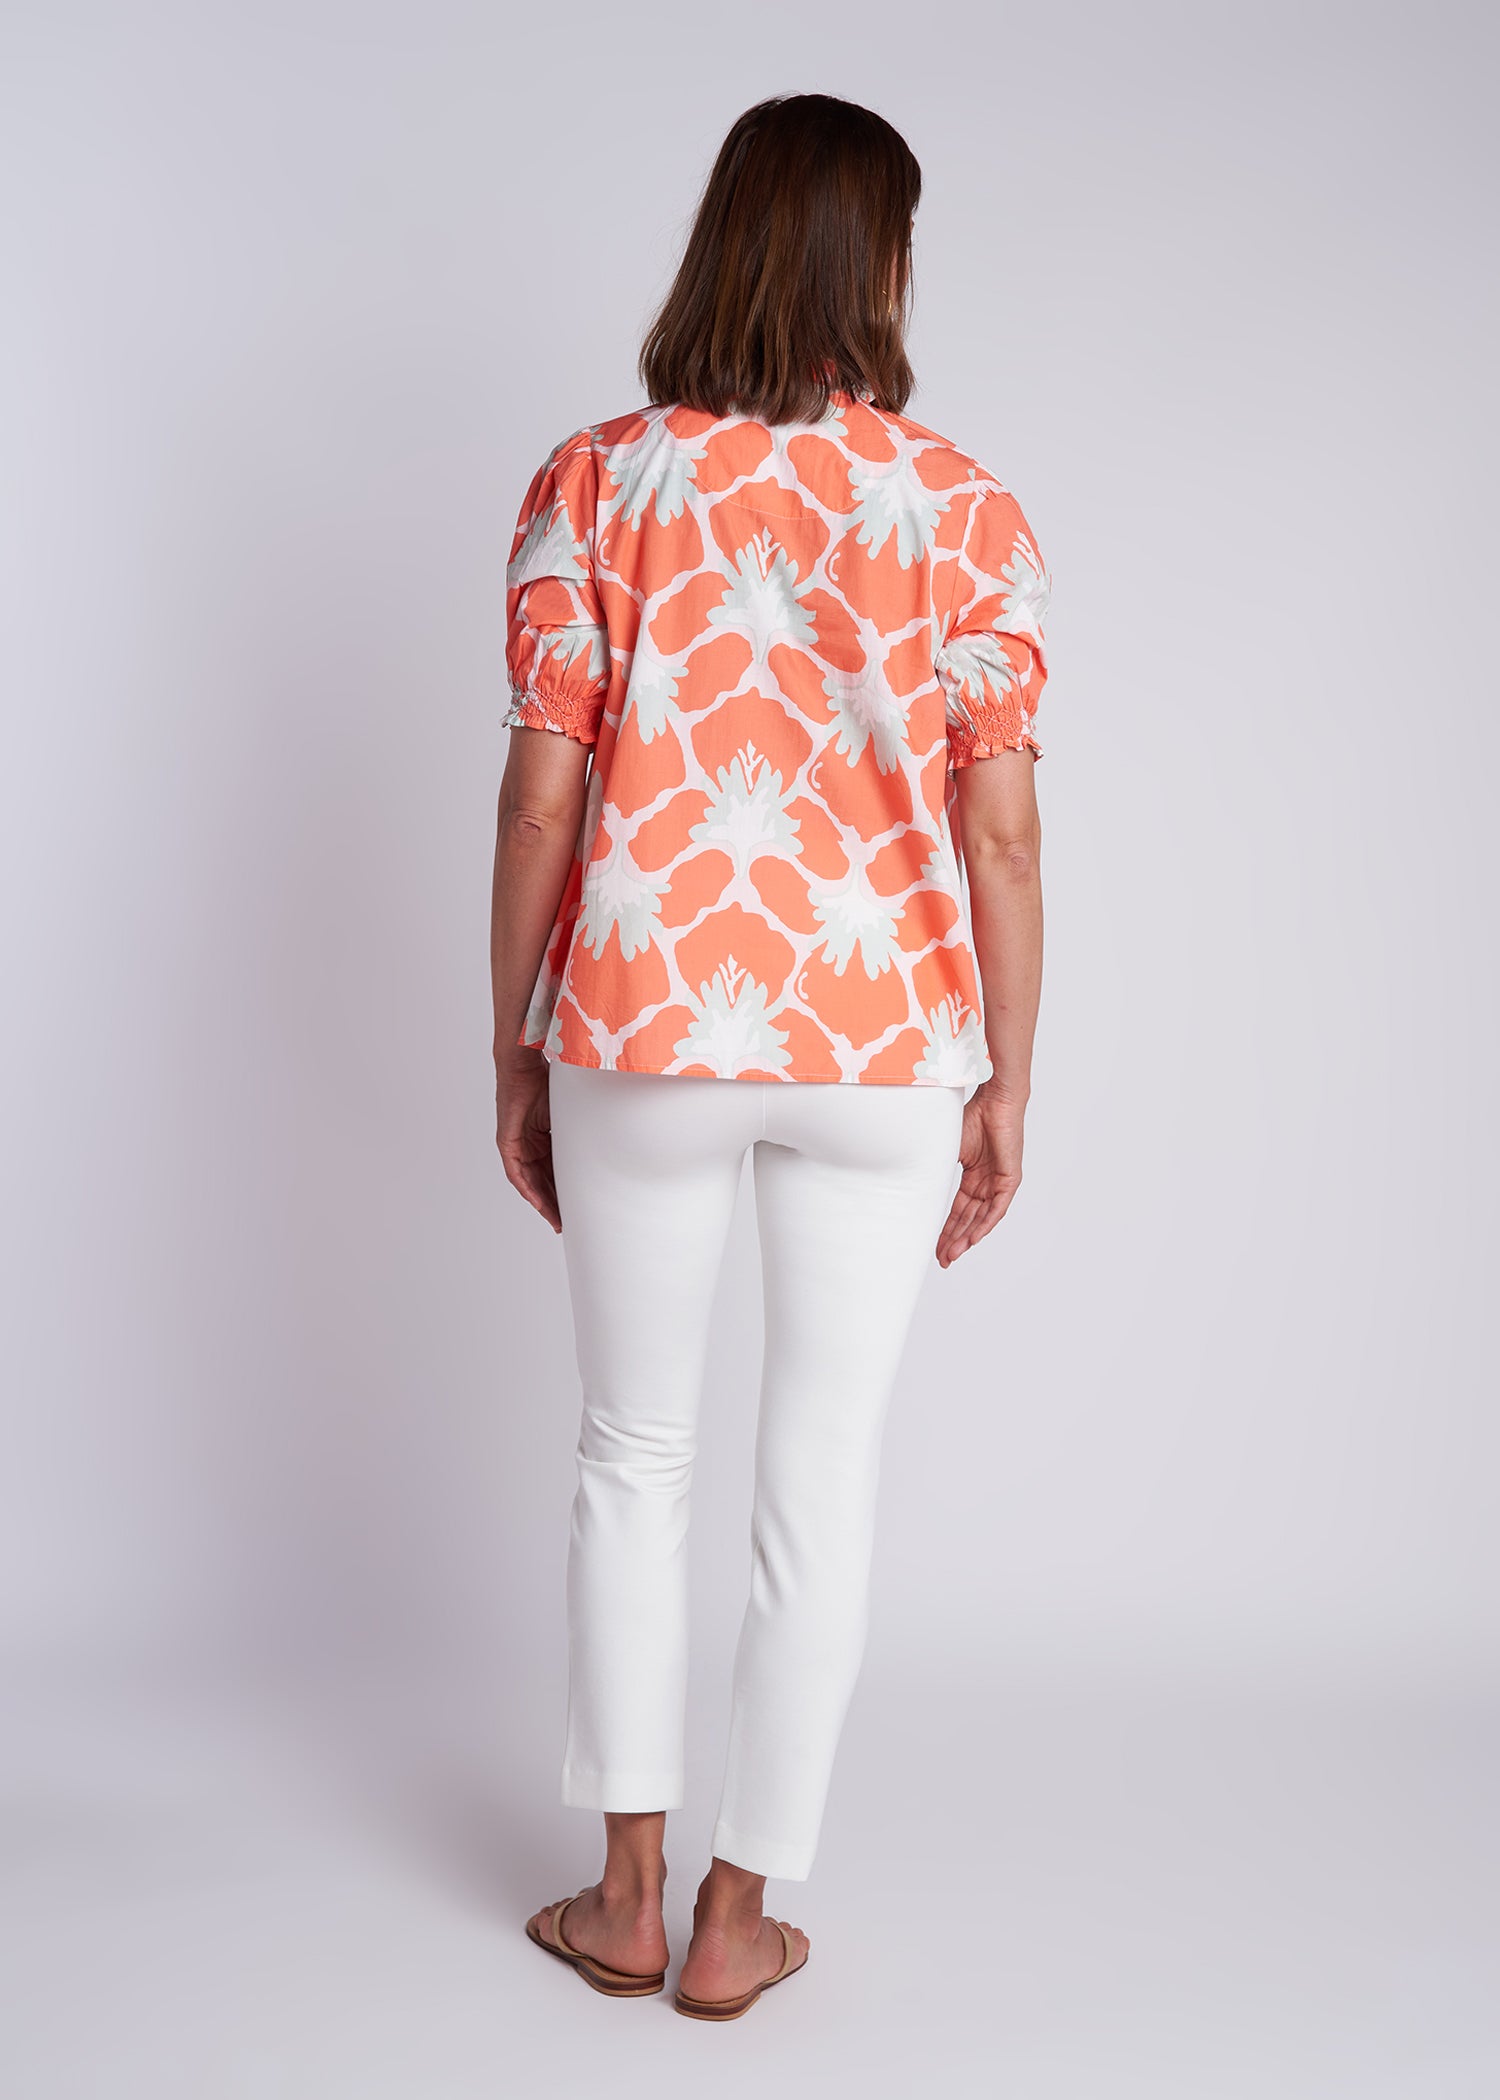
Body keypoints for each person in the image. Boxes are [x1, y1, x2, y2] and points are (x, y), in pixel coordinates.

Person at [490, 91, 1050, 2022]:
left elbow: (543, 800)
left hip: (643, 1018)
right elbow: (1000, 835)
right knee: (822, 1472)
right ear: (878, 263)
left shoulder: (598, 480)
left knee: (632, 1450)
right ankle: (740, 1917)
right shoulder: (963, 507)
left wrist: (515, 1038)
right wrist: (1008, 1078)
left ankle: (624, 1896)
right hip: (884, 1037)